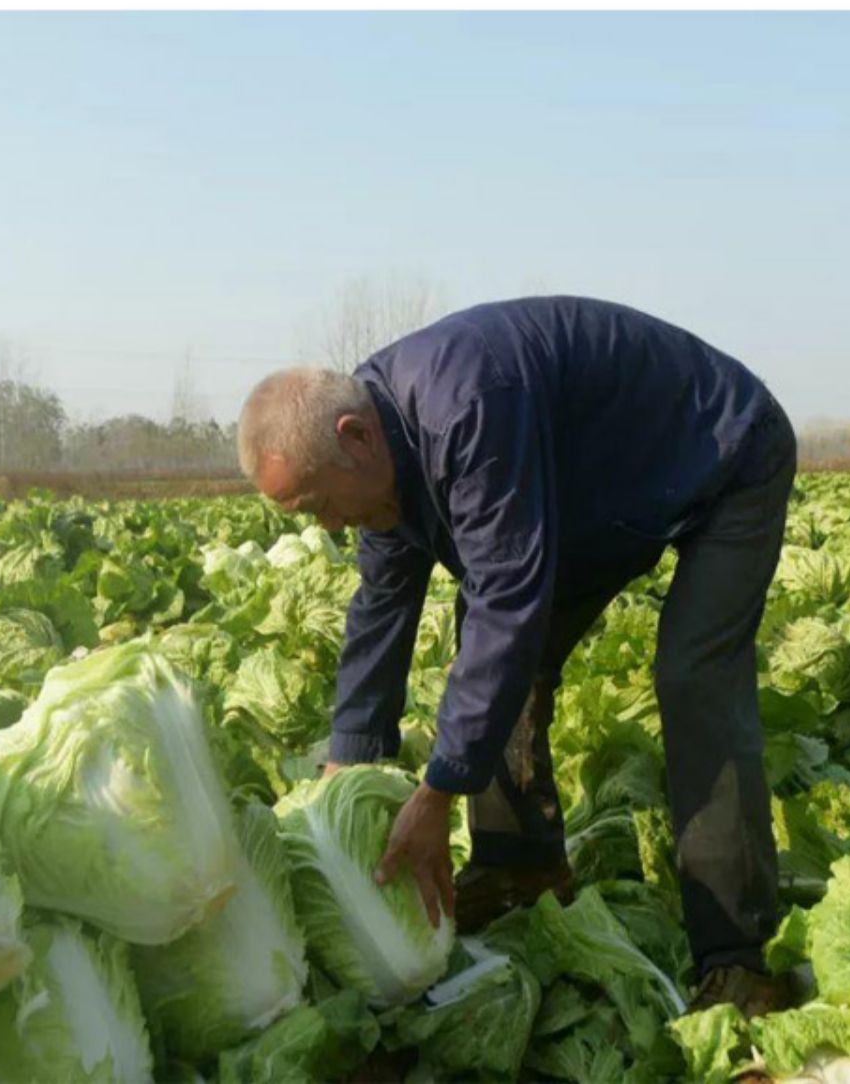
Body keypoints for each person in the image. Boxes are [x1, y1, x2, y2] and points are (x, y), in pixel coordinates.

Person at [237, 296, 798, 1016]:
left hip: (724, 455)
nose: (330, 526)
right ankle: (520, 866)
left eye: (318, 505)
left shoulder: (467, 404)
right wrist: (348, 762)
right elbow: (382, 607)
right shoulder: (375, 445)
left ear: (354, 437)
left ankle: (739, 957)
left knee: (694, 675)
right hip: (611, 494)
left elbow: (510, 598)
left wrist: (439, 791)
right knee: (500, 655)